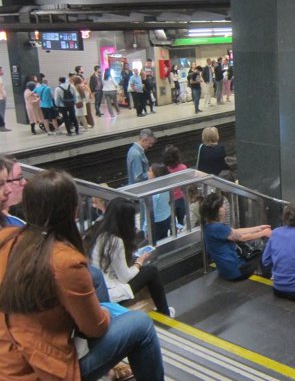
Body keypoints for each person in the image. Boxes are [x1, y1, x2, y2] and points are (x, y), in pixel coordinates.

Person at [0, 171, 164, 380]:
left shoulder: (6, 240)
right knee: (141, 325)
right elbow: (95, 328)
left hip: (9, 359)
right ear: (74, 211)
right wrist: (104, 311)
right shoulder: (66, 261)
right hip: (42, 370)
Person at [85, 197, 174, 317]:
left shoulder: (99, 230)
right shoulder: (115, 241)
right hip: (109, 293)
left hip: (96, 288)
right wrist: (139, 262)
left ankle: (162, 310)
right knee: (151, 270)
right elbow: (125, 277)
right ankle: (165, 312)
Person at [200, 192, 272, 281]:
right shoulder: (218, 227)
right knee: (264, 253)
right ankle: (269, 276)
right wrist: (263, 233)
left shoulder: (209, 225)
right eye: (222, 206)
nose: (225, 208)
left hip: (225, 271)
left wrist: (258, 228)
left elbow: (235, 232)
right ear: (215, 210)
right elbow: (241, 237)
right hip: (236, 272)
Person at [163, 144, 188, 226]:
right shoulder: (183, 168)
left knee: (172, 224)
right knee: (183, 221)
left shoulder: (164, 170)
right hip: (181, 198)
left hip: (169, 200)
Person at [148, 163, 172, 243]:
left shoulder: (154, 191)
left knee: (156, 242)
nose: (147, 173)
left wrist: (145, 228)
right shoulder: (166, 186)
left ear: (155, 175)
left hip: (157, 221)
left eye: (150, 171)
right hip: (167, 216)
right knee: (163, 238)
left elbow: (150, 211)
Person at [0, 66, 8, 132]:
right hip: (1, 98)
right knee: (1, 112)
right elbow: (1, 88)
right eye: (1, 70)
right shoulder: (0, 78)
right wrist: (4, 96)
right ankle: (2, 126)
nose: (2, 71)